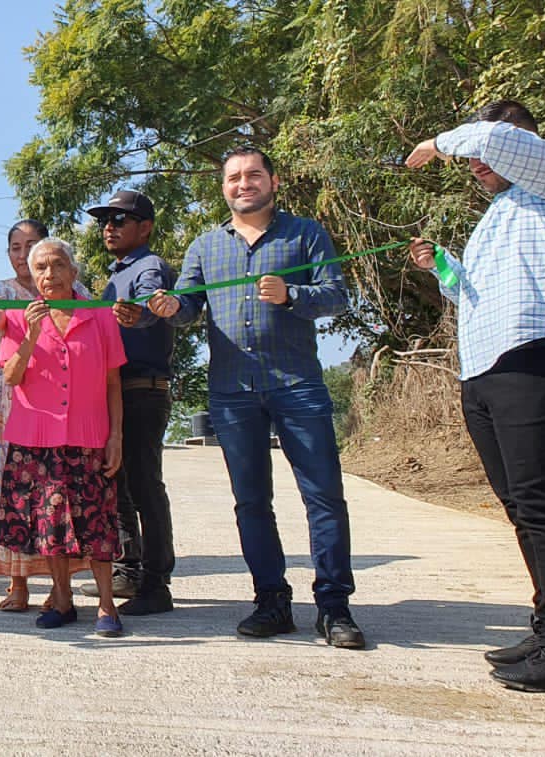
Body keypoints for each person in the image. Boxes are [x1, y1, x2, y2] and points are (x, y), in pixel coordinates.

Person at [147, 146, 364, 649]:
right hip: (232, 392)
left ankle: (334, 607)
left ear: (273, 181)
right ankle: (271, 600)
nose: (243, 184)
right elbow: (188, 308)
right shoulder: (205, 245)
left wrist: (293, 295)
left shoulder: (306, 233)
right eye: (233, 178)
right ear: (223, 187)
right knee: (250, 502)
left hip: (298, 386)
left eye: (253, 175)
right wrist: (167, 306)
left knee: (324, 498)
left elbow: (336, 294)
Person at [406, 100, 545, 691]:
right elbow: (480, 299)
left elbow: (495, 138)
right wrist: (446, 270)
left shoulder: (543, 177)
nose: (474, 163)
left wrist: (441, 143)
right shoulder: (500, 213)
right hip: (485, 368)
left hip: (529, 361)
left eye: (485, 153)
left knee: (541, 504)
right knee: (520, 506)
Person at [0, 238, 127, 636]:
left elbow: (113, 381)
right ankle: (62, 598)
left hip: (89, 434)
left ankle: (106, 606)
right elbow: (12, 376)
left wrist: (115, 436)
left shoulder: (99, 314)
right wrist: (30, 334)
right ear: (32, 277)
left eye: (58, 265)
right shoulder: (18, 316)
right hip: (36, 438)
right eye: (42, 268)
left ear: (74, 272)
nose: (50, 274)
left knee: (97, 524)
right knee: (52, 525)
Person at [0, 219, 92, 611]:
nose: (23, 255)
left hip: (60, 403)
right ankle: (17, 582)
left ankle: (60, 586)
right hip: (11, 401)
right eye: (15, 247)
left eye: (32, 246)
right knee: (12, 493)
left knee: (58, 494)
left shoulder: (77, 292)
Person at [87, 191, 177, 616]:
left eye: (121, 219)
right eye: (105, 219)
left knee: (144, 485)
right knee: (116, 482)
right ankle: (128, 568)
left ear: (145, 227)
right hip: (115, 390)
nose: (110, 226)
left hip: (142, 388)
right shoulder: (114, 274)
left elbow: (150, 305)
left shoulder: (148, 268)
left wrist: (138, 314)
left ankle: (158, 583)